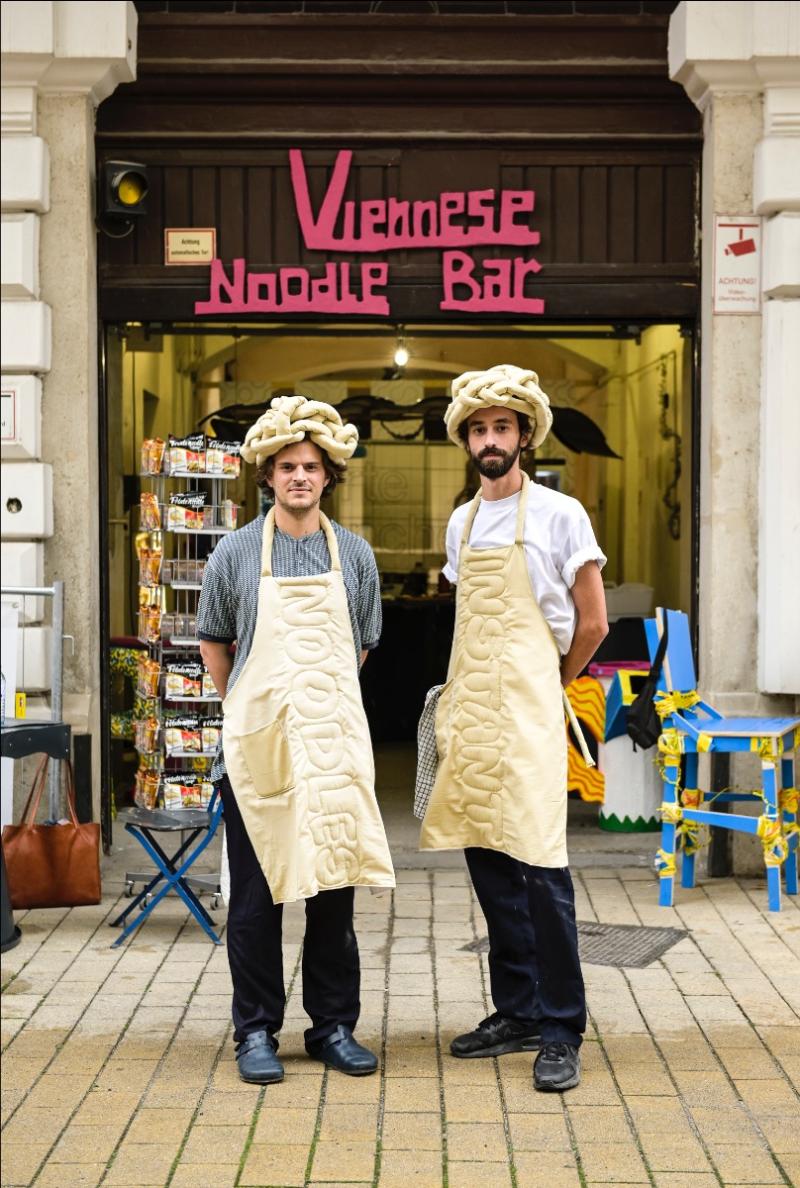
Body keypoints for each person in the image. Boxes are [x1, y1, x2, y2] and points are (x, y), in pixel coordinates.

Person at [420, 364, 608, 1092]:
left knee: (541, 869)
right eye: (478, 429)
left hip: (529, 710)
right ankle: (518, 1009)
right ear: (466, 441)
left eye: (502, 427)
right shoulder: (461, 522)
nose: (490, 440)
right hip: (474, 711)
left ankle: (561, 1027)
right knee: (492, 866)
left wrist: (548, 684)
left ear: (525, 435)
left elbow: (590, 621)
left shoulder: (562, 516)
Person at [198, 395, 395, 1086]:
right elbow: (215, 642)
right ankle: (255, 1030)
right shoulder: (235, 552)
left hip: (332, 751)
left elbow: (362, 646)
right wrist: (250, 714)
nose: (300, 478)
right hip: (259, 754)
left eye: (311, 467)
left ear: (329, 475)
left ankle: (333, 1026)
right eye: (287, 467)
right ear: (267, 476)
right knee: (255, 901)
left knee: (332, 896)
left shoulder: (357, 555)